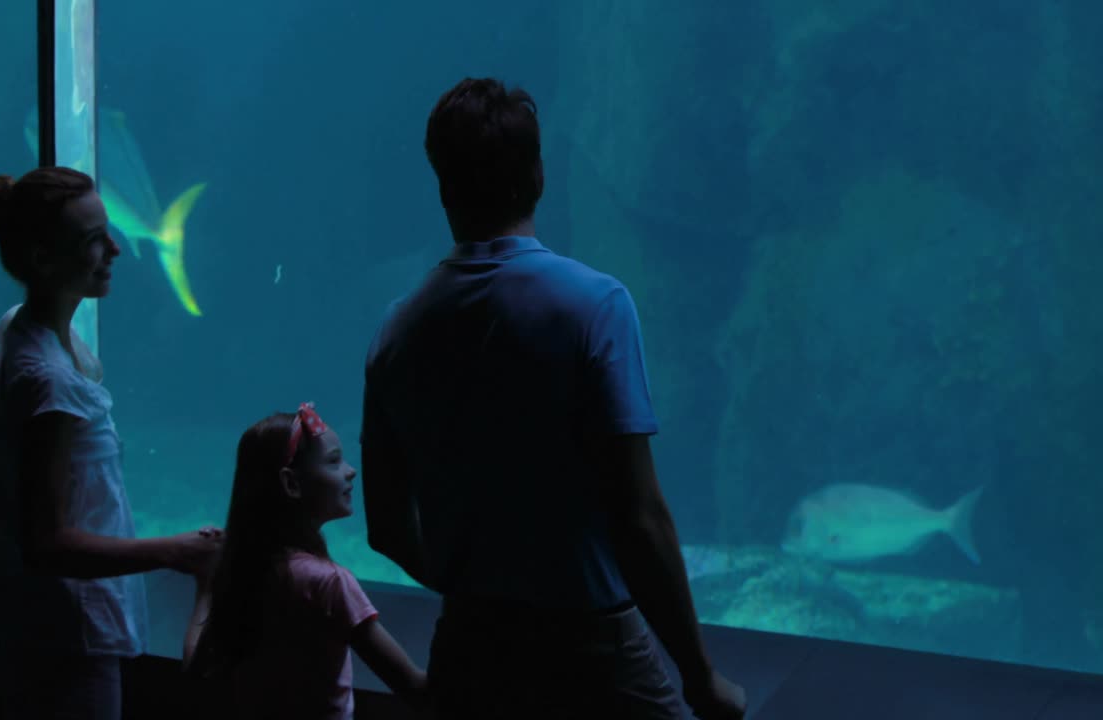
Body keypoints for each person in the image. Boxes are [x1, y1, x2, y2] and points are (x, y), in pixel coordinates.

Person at [360, 77, 748, 720]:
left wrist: (479, 588)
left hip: (469, 647)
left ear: (442, 183)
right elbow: (638, 516)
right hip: (594, 646)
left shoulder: (397, 330)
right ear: (537, 175)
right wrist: (699, 673)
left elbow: (388, 528)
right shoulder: (595, 305)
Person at [0, 167, 224, 720]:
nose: (115, 247)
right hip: (66, 638)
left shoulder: (15, 327)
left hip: (27, 619)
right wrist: (176, 550)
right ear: (44, 260)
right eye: (93, 240)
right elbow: (48, 543)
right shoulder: (52, 382)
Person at [182, 403, 429, 719]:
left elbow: (196, 668)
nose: (350, 470)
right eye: (334, 461)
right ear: (292, 484)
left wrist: (205, 583)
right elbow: (415, 687)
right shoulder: (329, 583)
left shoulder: (243, 568)